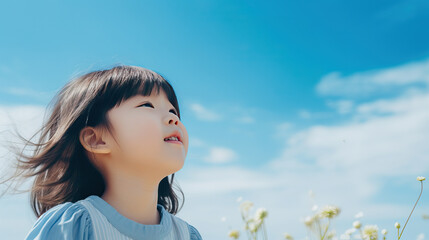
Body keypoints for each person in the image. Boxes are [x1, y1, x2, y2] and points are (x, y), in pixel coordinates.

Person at [1, 65, 202, 239]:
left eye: (173, 110)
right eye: (147, 105)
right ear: (96, 139)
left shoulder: (187, 235)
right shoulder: (73, 225)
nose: (172, 118)